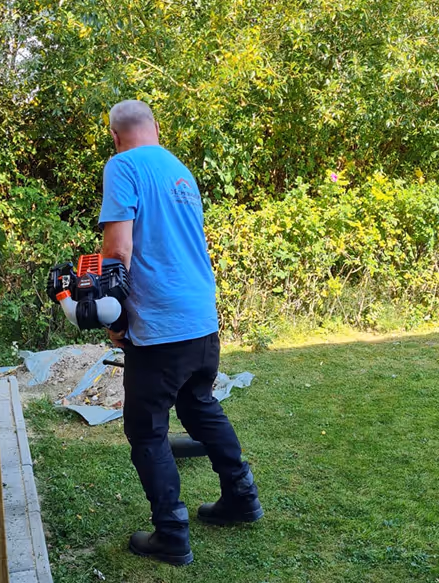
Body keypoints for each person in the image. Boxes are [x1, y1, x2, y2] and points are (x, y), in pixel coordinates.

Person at [99, 100, 263, 566]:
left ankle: (171, 534)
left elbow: (117, 248)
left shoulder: (123, 165)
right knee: (198, 403)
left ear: (115, 136)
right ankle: (242, 497)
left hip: (162, 324)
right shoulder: (179, 170)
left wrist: (114, 316)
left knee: (146, 429)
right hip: (200, 318)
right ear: (156, 127)